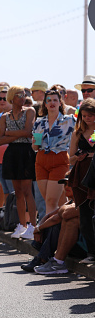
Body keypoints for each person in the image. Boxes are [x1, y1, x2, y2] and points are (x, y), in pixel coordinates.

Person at [0, 86, 37, 239]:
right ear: (11, 97)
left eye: (24, 95)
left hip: (26, 152)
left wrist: (8, 133)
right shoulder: (4, 117)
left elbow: (29, 132)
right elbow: (0, 140)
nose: (22, 97)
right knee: (18, 192)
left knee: (28, 191)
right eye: (19, 95)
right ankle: (22, 225)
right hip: (12, 153)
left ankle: (33, 226)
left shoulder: (30, 111)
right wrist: (14, 135)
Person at [32, 90, 75, 214]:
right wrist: (35, 142)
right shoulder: (39, 122)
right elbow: (35, 147)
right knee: (51, 201)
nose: (52, 103)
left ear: (60, 103)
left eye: (55, 100)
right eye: (49, 100)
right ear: (45, 104)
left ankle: (50, 232)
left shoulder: (70, 120)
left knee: (51, 201)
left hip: (59, 160)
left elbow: (82, 132)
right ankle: (62, 226)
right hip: (41, 161)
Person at [68, 98, 95, 264]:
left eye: (91, 115)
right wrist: (79, 157)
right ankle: (92, 252)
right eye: (84, 115)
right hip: (82, 177)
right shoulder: (77, 133)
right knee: (85, 216)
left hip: (94, 175)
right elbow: (70, 159)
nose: (87, 118)